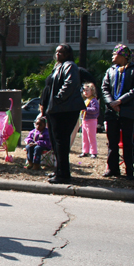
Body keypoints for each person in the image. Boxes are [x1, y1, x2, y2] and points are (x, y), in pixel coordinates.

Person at [101, 43, 134, 179]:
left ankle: (129, 170)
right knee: (112, 142)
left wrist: (120, 101)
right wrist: (111, 103)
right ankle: (113, 168)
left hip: (128, 111)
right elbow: (105, 88)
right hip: (112, 111)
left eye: (115, 54)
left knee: (127, 142)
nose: (112, 57)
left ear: (122, 56)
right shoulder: (110, 70)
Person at [46, 44, 85, 184]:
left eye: (61, 52)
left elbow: (70, 83)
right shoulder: (58, 66)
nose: (58, 54)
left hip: (65, 109)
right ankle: (59, 170)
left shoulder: (70, 65)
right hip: (55, 110)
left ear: (68, 54)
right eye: (56, 51)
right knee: (56, 142)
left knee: (61, 142)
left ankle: (64, 174)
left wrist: (58, 98)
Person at [79, 83, 99, 158]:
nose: (85, 92)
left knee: (91, 137)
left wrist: (86, 109)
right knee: (84, 137)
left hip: (91, 120)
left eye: (87, 90)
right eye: (84, 91)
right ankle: (85, 151)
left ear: (92, 91)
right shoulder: (85, 100)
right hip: (85, 120)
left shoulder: (93, 100)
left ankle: (93, 152)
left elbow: (95, 110)